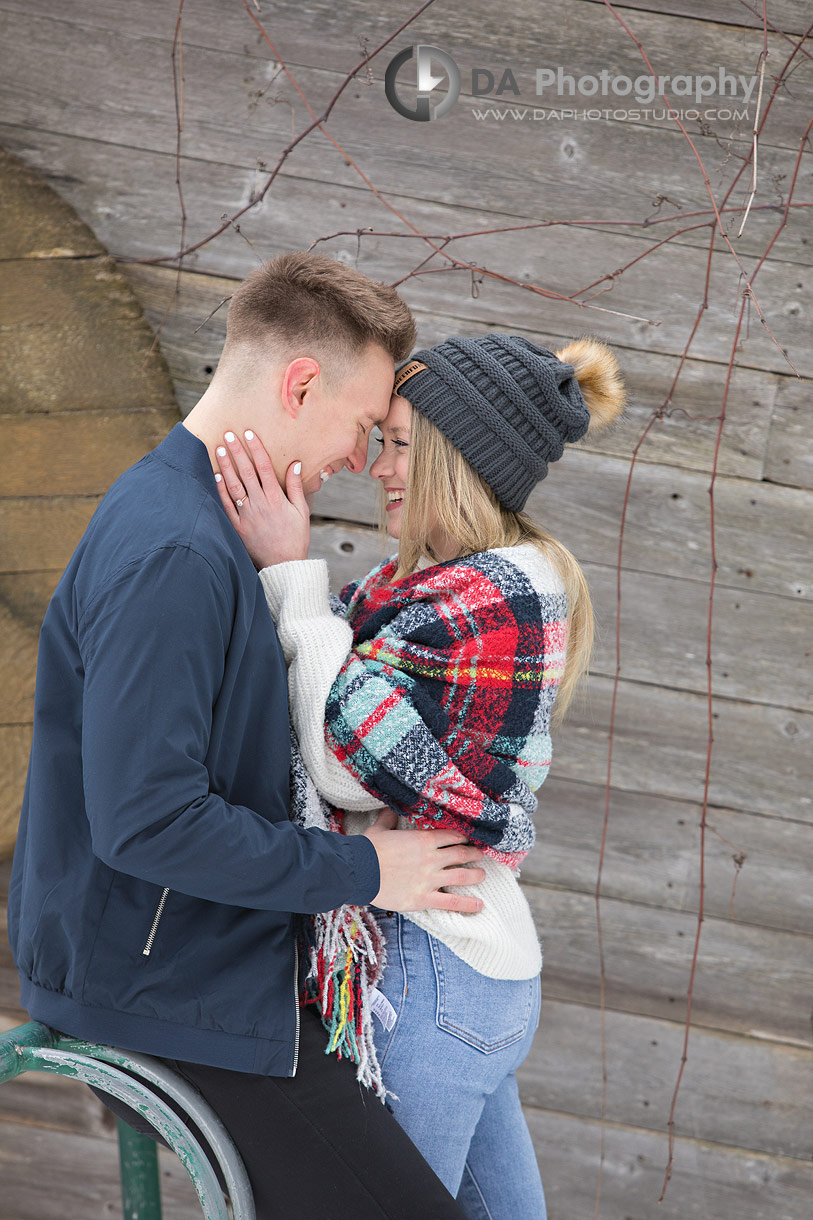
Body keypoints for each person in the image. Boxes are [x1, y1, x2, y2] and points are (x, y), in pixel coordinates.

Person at [7, 252, 492, 1220]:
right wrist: (367, 874)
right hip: (163, 995)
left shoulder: (200, 522)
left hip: (204, 961)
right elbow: (149, 823)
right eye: (363, 427)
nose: (363, 459)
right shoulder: (176, 553)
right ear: (300, 382)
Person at [212, 332, 626, 1219]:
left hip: (428, 978)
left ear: (456, 458)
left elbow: (347, 762)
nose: (377, 465)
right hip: (466, 976)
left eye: (400, 443)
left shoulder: (495, 595)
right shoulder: (426, 585)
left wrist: (289, 572)